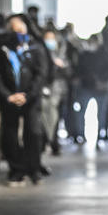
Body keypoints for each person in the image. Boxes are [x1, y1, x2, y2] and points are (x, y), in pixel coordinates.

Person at [0, 15, 48, 186]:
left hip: (31, 100)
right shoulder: (3, 50)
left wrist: (28, 95)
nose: (19, 34)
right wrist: (8, 95)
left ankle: (34, 168)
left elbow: (41, 75)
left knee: (33, 132)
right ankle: (16, 169)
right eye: (15, 31)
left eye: (21, 30)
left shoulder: (36, 48)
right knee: (9, 135)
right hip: (10, 99)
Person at [39, 26, 71, 155]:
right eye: (47, 39)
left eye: (52, 39)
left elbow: (70, 71)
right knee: (43, 116)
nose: (50, 41)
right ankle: (45, 142)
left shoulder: (61, 54)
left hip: (58, 91)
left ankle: (53, 142)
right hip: (43, 90)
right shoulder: (39, 53)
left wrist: (61, 66)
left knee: (55, 117)